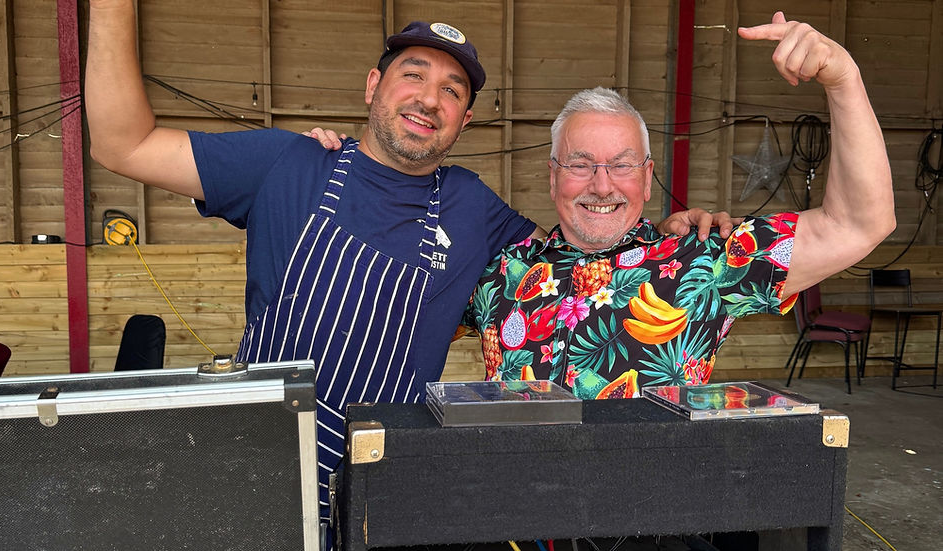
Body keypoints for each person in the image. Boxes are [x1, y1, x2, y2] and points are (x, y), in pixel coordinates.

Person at [84, 3, 718, 522]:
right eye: (413, 75)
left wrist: (660, 231)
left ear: (464, 120)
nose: (429, 99)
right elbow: (122, 144)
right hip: (256, 469)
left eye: (452, 91)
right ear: (373, 86)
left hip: (386, 489)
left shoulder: (473, 207)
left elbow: (579, 249)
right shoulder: (288, 163)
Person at [462, 12, 895, 399]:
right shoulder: (496, 272)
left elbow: (859, 224)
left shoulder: (704, 258)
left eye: (622, 165)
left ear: (647, 177)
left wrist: (843, 80)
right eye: (580, 164)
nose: (602, 185)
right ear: (553, 176)